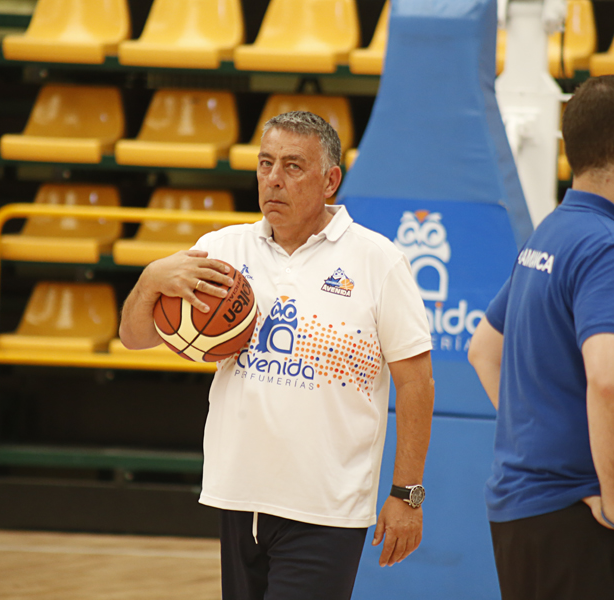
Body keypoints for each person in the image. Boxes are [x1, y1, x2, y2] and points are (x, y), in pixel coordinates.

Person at [119, 111, 435, 600]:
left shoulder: (379, 262)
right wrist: (149, 281)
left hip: (326, 509)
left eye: (292, 166)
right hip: (237, 498)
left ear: (331, 180)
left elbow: (416, 384)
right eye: (265, 164)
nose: (273, 179)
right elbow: (134, 337)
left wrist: (406, 494)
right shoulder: (218, 251)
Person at [468, 75, 614, 600]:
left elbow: (483, 350)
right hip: (589, 525)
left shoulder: (551, 232)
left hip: (531, 515)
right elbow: (610, 381)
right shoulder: (611, 247)